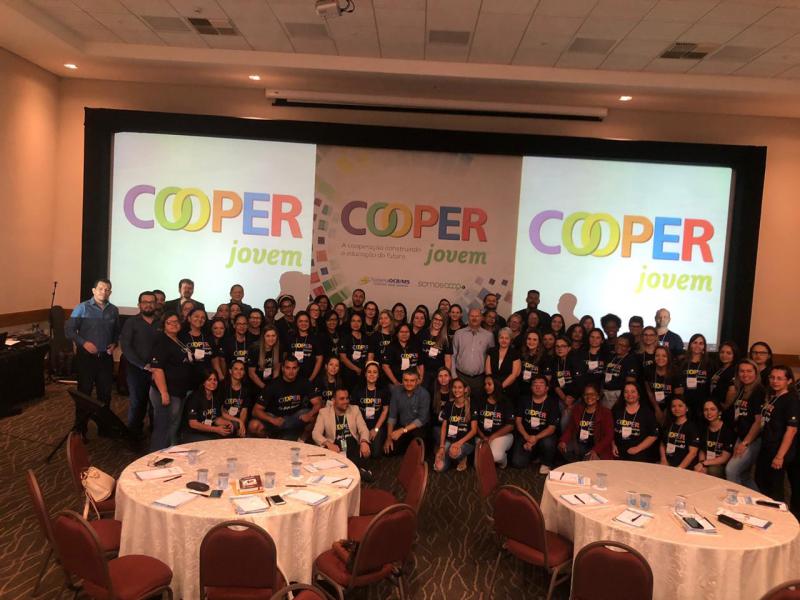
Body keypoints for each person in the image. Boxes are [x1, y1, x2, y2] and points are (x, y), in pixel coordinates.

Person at [65, 278, 120, 436]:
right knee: (84, 394)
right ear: (93, 290)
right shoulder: (82, 308)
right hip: (86, 358)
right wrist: (84, 343)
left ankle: (104, 428)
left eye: (107, 289)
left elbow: (116, 332)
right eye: (101, 288)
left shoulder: (113, 310)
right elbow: (69, 331)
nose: (104, 292)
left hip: (105, 358)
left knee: (105, 395)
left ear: (110, 292)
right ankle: (80, 429)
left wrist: (114, 343)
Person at [148, 312, 193, 451]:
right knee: (163, 427)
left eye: (176, 322)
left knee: (172, 425)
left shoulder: (178, 340)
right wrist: (164, 393)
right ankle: (155, 456)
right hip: (167, 392)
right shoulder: (162, 342)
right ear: (164, 325)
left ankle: (166, 455)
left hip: (178, 391)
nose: (174, 324)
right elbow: (157, 369)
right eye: (170, 322)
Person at [249, 356, 321, 440]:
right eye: (288, 368)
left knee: (315, 416)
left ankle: (301, 441)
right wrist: (272, 420)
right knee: (253, 425)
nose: (291, 371)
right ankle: (268, 438)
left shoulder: (304, 382)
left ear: (298, 369)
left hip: (294, 419)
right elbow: (255, 410)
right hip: (276, 419)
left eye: (294, 368)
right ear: (282, 368)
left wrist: (309, 414)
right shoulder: (273, 385)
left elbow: (318, 403)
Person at [755, 366, 798, 503]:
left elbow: (791, 430)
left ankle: (780, 514)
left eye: (780, 378)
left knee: (775, 488)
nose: (775, 381)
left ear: (789, 381)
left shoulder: (791, 400)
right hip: (767, 446)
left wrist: (779, 456)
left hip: (778, 449)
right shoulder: (774, 397)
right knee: (760, 479)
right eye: (772, 378)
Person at [119, 290, 158, 438]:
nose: (148, 305)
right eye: (145, 302)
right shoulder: (131, 322)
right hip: (136, 370)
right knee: (137, 404)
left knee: (156, 404)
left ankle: (154, 433)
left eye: (151, 302)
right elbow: (126, 347)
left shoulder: (161, 322)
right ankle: (133, 435)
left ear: (156, 304)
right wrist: (143, 365)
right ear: (139, 305)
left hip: (157, 372)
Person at [725, 359, 767, 490]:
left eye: (749, 371)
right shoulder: (742, 389)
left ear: (756, 373)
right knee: (744, 475)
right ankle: (759, 500)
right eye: (742, 371)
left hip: (751, 439)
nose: (745, 374)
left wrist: (745, 443)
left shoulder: (758, 391)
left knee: (731, 470)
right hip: (741, 436)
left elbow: (758, 421)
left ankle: (735, 499)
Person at [312, 387, 373, 474]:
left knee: (361, 456)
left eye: (347, 398)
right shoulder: (324, 413)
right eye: (342, 399)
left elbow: (363, 428)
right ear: (333, 400)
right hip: (335, 448)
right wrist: (328, 444)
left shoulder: (355, 409)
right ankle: (356, 471)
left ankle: (357, 470)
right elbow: (315, 433)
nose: (346, 401)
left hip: (352, 446)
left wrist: (364, 442)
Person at [512, 375, 559, 473]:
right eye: (535, 384)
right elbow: (518, 421)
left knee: (548, 442)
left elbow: (551, 428)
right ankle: (534, 454)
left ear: (547, 388)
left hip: (544, 435)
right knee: (517, 462)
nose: (538, 387)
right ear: (531, 387)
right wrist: (527, 437)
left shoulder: (552, 402)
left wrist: (535, 438)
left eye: (541, 384)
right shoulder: (523, 399)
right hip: (526, 434)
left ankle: (546, 463)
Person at [558, 382, 614, 461]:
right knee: (563, 447)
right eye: (586, 394)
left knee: (589, 458)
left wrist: (595, 450)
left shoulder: (605, 412)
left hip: (596, 446)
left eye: (592, 394)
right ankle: (577, 462)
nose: (589, 397)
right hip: (579, 444)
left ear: (598, 397)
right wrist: (563, 441)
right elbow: (570, 428)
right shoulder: (578, 409)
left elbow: (609, 436)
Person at [451, 308, 495, 403]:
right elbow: (453, 355)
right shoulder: (458, 334)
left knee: (478, 404)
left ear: (482, 318)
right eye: (472, 316)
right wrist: (454, 375)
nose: (474, 318)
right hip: (461, 377)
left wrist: (488, 376)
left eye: (477, 316)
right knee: (460, 404)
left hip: (479, 379)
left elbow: (491, 358)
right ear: (468, 317)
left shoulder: (489, 336)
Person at [435, 378, 477, 472]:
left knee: (454, 453)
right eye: (454, 387)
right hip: (450, 440)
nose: (456, 390)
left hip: (465, 442)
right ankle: (453, 457)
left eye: (460, 387)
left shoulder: (472, 404)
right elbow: (444, 427)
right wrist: (442, 446)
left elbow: (474, 430)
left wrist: (459, 443)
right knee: (439, 468)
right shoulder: (449, 404)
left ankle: (461, 457)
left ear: (465, 389)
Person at [384, 369, 431, 455]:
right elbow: (392, 416)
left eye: (412, 380)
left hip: (418, 428)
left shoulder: (424, 394)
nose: (409, 383)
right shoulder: (396, 391)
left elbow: (421, 420)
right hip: (403, 425)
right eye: (406, 380)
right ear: (402, 380)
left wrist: (402, 431)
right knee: (389, 451)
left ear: (417, 381)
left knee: (418, 450)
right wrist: (389, 437)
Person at [612, 382, 659, 463]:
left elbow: (654, 435)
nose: (629, 394)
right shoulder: (616, 410)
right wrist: (613, 445)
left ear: (639, 394)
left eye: (633, 392)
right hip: (617, 451)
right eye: (626, 392)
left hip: (639, 453)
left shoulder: (647, 412)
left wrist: (638, 448)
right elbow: (609, 430)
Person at [473, 377, 514, 468]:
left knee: (496, 456)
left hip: (501, 436)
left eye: (489, 384)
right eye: (485, 384)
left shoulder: (506, 401)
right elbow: (474, 423)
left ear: (496, 385)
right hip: (482, 436)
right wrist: (483, 436)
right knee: (477, 465)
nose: (486, 387)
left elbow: (510, 426)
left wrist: (492, 437)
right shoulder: (480, 400)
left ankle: (503, 460)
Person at [351, 361, 390, 458]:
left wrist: (376, 429)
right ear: (365, 374)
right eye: (369, 372)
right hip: (360, 426)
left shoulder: (384, 390)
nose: (372, 374)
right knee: (360, 453)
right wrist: (361, 430)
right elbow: (353, 411)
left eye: (375, 372)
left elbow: (385, 410)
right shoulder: (358, 390)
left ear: (378, 375)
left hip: (377, 426)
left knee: (375, 454)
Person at [183, 370, 233, 442]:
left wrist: (228, 423)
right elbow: (193, 424)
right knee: (213, 442)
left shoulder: (215, 397)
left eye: (215, 380)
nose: (213, 382)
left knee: (227, 437)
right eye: (209, 380)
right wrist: (216, 429)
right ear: (203, 382)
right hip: (192, 433)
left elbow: (215, 419)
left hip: (208, 431)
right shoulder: (194, 397)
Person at [547, 335, 582, 431]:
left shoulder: (576, 361)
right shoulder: (554, 361)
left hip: (575, 398)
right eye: (557, 346)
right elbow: (554, 383)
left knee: (566, 422)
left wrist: (570, 400)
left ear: (569, 348)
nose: (560, 349)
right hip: (561, 397)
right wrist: (564, 398)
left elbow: (580, 383)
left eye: (563, 346)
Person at [694, 399, 735, 478]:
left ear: (719, 412)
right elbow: (702, 450)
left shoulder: (727, 430)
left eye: (712, 409)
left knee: (712, 470)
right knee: (698, 470)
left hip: (721, 464)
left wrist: (704, 463)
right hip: (706, 462)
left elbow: (724, 458)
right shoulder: (703, 428)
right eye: (706, 410)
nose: (709, 413)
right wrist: (701, 463)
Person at [644, 346, 683, 424]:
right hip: (652, 406)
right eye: (657, 355)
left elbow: (678, 396)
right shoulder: (648, 370)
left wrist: (667, 410)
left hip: (671, 407)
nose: (660, 358)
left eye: (664, 356)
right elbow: (649, 392)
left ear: (668, 358)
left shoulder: (675, 372)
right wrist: (657, 409)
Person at [659, 397, 700, 469]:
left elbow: (693, 453)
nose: (676, 409)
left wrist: (680, 468)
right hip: (667, 463)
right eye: (673, 406)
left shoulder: (692, 427)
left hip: (684, 466)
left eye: (680, 406)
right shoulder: (668, 424)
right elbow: (662, 444)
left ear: (687, 408)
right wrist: (663, 459)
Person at [601, 333, 640, 408]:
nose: (619, 346)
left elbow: (630, 383)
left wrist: (621, 398)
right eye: (618, 344)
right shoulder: (611, 357)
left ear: (629, 348)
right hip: (605, 393)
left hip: (618, 395)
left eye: (623, 345)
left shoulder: (631, 361)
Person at [179, 307, 214, 389]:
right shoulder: (181, 336)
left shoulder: (209, 337)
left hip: (206, 380)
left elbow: (214, 358)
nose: (200, 319)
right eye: (196, 316)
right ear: (189, 318)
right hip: (187, 380)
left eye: (203, 318)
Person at [680, 333, 712, 419]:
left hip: (702, 403)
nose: (697, 345)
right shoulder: (682, 362)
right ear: (690, 344)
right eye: (695, 342)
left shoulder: (710, 364)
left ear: (704, 347)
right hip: (684, 402)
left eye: (701, 343)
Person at [338, 312, 375, 387]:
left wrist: (365, 369)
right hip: (349, 373)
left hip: (364, 372)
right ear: (350, 322)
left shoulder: (367, 338)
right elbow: (343, 358)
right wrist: (356, 369)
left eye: (358, 321)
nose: (356, 323)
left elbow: (370, 356)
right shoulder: (345, 338)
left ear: (362, 323)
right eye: (353, 321)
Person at [285, 311, 323, 382]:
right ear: (296, 323)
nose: (303, 323)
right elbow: (285, 357)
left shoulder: (315, 338)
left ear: (309, 323)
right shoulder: (290, 337)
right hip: (291, 378)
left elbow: (319, 359)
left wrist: (311, 379)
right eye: (300, 321)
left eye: (306, 321)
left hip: (310, 377)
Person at [419, 309, 451, 393]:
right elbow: (418, 355)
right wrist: (420, 374)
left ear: (444, 323)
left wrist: (446, 377)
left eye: (441, 320)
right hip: (423, 372)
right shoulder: (423, 333)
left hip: (438, 374)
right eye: (436, 319)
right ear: (432, 319)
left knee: (436, 396)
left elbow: (447, 360)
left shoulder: (446, 338)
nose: (438, 322)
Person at [486, 327, 522, 402]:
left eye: (506, 338)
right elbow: (488, 372)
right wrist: (493, 387)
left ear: (510, 340)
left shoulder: (515, 353)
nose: (504, 340)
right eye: (501, 337)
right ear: (498, 339)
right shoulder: (491, 351)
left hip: (509, 389)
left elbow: (514, 375)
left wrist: (499, 388)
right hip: (492, 387)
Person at [219, 360, 251, 437]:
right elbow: (221, 412)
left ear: (244, 372)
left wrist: (241, 425)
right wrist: (239, 421)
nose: (239, 372)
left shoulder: (246, 389)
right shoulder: (222, 386)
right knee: (231, 426)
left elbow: (244, 411)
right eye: (236, 369)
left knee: (243, 431)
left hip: (238, 420)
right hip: (224, 418)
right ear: (230, 371)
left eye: (241, 369)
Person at [248, 325, 280, 390]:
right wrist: (265, 388)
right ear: (263, 337)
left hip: (271, 383)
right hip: (256, 384)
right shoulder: (254, 349)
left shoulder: (279, 348)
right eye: (268, 336)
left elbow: (277, 369)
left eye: (273, 336)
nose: (271, 339)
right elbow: (251, 373)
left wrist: (274, 386)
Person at [710, 341, 738, 405]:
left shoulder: (734, 370)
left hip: (723, 406)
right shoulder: (720, 368)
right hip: (715, 403)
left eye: (728, 353)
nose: (724, 355)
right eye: (722, 352)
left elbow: (732, 391)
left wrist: (725, 407)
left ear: (734, 355)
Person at [431, 367, 452, 448]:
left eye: (446, 375)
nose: (443, 378)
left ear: (450, 377)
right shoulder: (433, 393)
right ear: (437, 378)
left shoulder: (455, 392)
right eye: (440, 376)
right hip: (438, 425)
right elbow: (431, 415)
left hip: (452, 424)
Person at [518, 330, 544, 397]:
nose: (531, 342)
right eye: (529, 339)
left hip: (536, 390)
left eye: (535, 340)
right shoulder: (520, 354)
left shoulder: (544, 357)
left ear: (539, 342)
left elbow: (546, 379)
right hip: (520, 389)